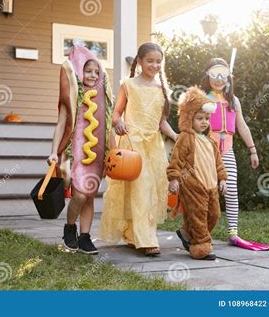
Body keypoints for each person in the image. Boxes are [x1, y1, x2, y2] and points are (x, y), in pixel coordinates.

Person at [99, 42, 178, 256]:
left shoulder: (162, 90)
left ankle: (135, 235)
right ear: (140, 61)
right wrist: (119, 123)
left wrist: (175, 136)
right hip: (133, 144)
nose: (155, 65)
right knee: (140, 188)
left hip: (154, 146)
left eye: (158, 61)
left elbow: (162, 122)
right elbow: (115, 114)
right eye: (150, 60)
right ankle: (147, 240)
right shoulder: (129, 85)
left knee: (151, 191)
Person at [48, 46, 113, 255]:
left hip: (97, 154)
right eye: (88, 71)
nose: (93, 75)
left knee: (90, 196)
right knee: (80, 195)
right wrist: (53, 152)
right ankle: (70, 227)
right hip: (76, 153)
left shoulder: (102, 98)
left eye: (96, 71)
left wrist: (112, 153)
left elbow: (109, 125)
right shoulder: (73, 96)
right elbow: (60, 124)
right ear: (78, 72)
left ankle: (85, 237)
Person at [202, 58, 269, 251]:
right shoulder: (203, 99)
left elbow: (241, 125)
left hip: (227, 151)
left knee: (231, 190)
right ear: (207, 76)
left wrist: (252, 150)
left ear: (229, 78)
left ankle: (233, 232)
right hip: (207, 150)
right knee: (207, 190)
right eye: (214, 74)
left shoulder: (234, 101)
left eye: (223, 75)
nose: (218, 79)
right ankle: (200, 231)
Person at [167, 87, 228, 260]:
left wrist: (222, 178)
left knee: (214, 214)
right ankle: (201, 246)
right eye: (199, 118)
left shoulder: (210, 141)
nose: (204, 122)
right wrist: (174, 178)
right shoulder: (186, 137)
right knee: (198, 215)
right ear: (189, 119)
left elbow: (218, 163)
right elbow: (176, 159)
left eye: (207, 118)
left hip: (211, 185)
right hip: (193, 183)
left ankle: (187, 232)